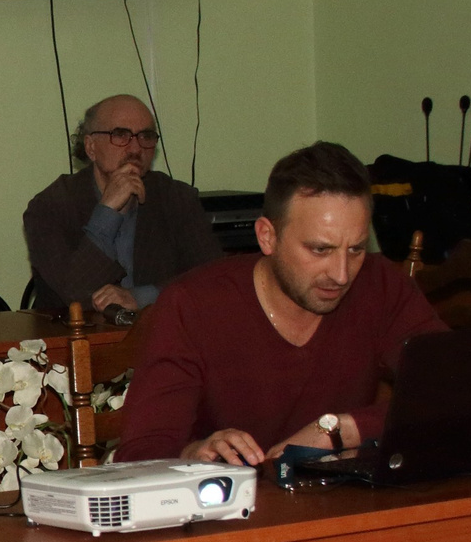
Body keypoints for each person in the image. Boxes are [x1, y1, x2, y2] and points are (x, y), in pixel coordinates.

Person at [118, 142, 446, 466]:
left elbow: (455, 391)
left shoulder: (381, 285)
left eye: (356, 249)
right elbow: (139, 455)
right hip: (234, 511)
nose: (342, 274)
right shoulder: (192, 305)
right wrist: (194, 454)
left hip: (343, 507)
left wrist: (340, 430)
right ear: (267, 237)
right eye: (320, 249)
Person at [23, 94, 220, 318]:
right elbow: (75, 294)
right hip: (73, 341)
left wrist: (142, 297)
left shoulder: (176, 198)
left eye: (145, 136)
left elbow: (213, 278)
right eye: (121, 135)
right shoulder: (50, 207)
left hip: (158, 336)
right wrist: (106, 212)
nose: (136, 148)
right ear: (91, 147)